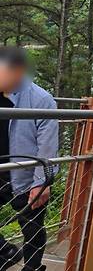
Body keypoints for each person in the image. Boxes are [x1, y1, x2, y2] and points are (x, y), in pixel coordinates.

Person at [0, 46, 57, 271]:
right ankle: (6, 252)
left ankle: (32, 268)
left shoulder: (41, 99)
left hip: (25, 175)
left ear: (18, 71)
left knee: (32, 226)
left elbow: (47, 146)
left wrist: (42, 182)